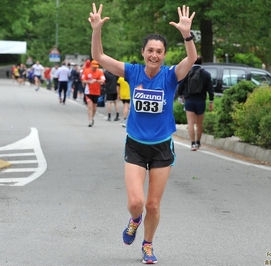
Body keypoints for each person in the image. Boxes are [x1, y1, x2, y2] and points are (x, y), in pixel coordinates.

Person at [89, 3, 196, 264]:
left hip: (161, 147)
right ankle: (134, 221)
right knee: (137, 203)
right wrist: (96, 30)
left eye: (159, 51)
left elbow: (191, 59)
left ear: (164, 55)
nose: (154, 55)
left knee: (153, 205)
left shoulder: (171, 76)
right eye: (150, 50)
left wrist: (186, 35)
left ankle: (147, 245)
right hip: (136, 145)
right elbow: (100, 57)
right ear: (143, 52)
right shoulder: (132, 71)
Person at [177, 55, 214, 151]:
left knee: (190, 123)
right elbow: (210, 89)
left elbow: (180, 87)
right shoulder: (206, 74)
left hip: (189, 100)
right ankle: (198, 142)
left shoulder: (187, 73)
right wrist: (211, 101)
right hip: (201, 101)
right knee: (199, 123)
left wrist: (181, 96)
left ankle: (192, 143)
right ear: (201, 63)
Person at [81, 59, 105, 127]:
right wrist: (89, 82)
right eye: (94, 66)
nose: (95, 68)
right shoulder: (86, 71)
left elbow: (103, 81)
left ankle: (92, 118)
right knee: (90, 106)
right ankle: (90, 120)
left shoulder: (100, 72)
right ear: (91, 65)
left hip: (96, 92)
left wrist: (96, 80)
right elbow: (83, 81)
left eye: (96, 66)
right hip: (88, 91)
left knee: (94, 108)